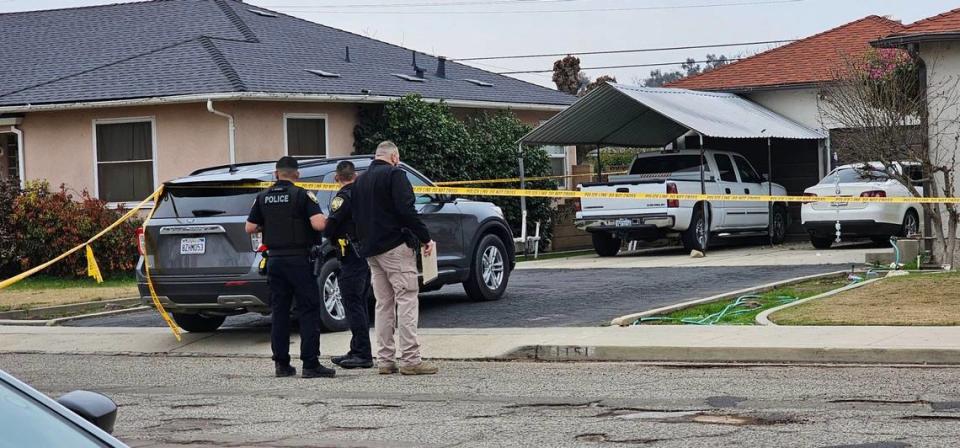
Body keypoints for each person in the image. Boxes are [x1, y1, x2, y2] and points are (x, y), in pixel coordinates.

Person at [245, 156, 336, 379]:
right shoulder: (303, 195)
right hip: (299, 261)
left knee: (280, 312)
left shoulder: (263, 197)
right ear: (297, 175)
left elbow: (250, 228)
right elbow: (318, 224)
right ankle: (310, 364)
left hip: (275, 261)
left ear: (276, 174)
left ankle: (282, 365)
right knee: (308, 310)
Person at [352, 141, 438, 376]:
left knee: (383, 305)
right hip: (395, 246)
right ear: (394, 156)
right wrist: (425, 238)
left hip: (371, 250)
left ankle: (385, 360)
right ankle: (411, 359)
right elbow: (406, 210)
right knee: (407, 299)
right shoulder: (395, 175)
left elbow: (354, 215)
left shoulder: (359, 181)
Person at [323, 161, 374, 369]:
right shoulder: (366, 196)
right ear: (355, 175)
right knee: (360, 304)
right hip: (364, 254)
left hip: (350, 257)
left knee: (353, 305)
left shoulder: (343, 197)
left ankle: (362, 354)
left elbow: (330, 228)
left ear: (337, 178)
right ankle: (357, 349)